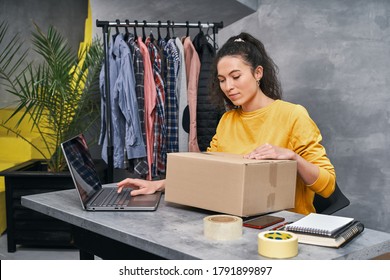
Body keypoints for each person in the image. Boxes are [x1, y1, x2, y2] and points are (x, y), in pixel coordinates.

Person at [117, 32, 336, 215]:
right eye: (222, 80)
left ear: (258, 73)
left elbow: (327, 186)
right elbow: (208, 172)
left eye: (235, 76)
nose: (228, 86)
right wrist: (158, 184)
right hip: (238, 223)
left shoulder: (293, 115)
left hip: (284, 230)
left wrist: (292, 157)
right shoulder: (227, 120)